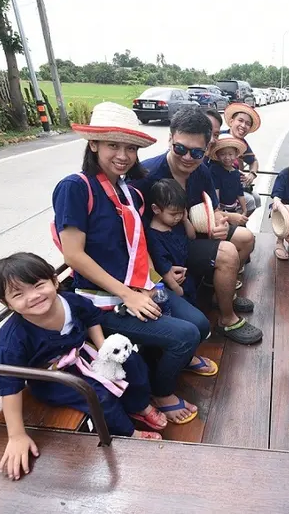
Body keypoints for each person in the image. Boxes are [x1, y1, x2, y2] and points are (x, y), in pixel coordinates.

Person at [52, 102, 215, 425]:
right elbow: (73, 255)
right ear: (94, 144)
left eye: (130, 148)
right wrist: (128, 295)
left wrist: (156, 276)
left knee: (200, 325)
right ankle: (161, 392)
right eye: (113, 145)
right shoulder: (75, 188)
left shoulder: (128, 191)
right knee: (185, 335)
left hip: (140, 289)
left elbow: (138, 242)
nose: (123, 155)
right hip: (102, 303)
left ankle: (176, 360)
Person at [0, 253, 167, 480]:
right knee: (97, 396)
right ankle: (127, 432)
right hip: (53, 378)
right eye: (18, 294)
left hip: (84, 355)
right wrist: (16, 436)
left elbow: (91, 317)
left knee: (131, 362)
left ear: (54, 281)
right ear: (6, 303)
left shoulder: (70, 301)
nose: (33, 296)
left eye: (38, 285)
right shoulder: (12, 339)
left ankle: (139, 406)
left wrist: (103, 349)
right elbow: (9, 385)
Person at [139, 106, 262, 345]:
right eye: (180, 149)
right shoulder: (147, 175)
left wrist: (219, 222)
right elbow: (135, 235)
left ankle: (222, 294)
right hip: (160, 250)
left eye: (196, 152)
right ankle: (227, 318)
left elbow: (213, 209)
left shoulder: (201, 171)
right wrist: (157, 272)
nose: (187, 157)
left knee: (245, 239)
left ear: (207, 149)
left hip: (190, 238)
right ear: (170, 139)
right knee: (227, 252)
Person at [146, 180, 198, 305]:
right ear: (156, 209)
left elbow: (192, 236)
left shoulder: (176, 223)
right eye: (173, 214)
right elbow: (164, 270)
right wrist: (177, 290)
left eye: (181, 212)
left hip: (186, 275)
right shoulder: (154, 237)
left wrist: (185, 220)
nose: (178, 217)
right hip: (174, 284)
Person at [223, 103, 262, 215]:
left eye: (247, 123)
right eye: (240, 120)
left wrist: (252, 174)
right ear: (231, 122)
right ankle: (234, 222)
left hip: (234, 184)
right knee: (249, 201)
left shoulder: (242, 144)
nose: (243, 126)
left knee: (256, 198)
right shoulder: (221, 138)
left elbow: (254, 161)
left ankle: (239, 221)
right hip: (220, 185)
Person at [210, 133, 249, 225]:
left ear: (236, 155)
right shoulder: (214, 170)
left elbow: (240, 192)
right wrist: (218, 209)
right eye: (222, 154)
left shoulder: (236, 173)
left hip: (233, 208)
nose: (227, 157)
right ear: (217, 155)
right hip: (221, 209)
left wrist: (244, 210)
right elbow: (216, 190)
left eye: (230, 154)